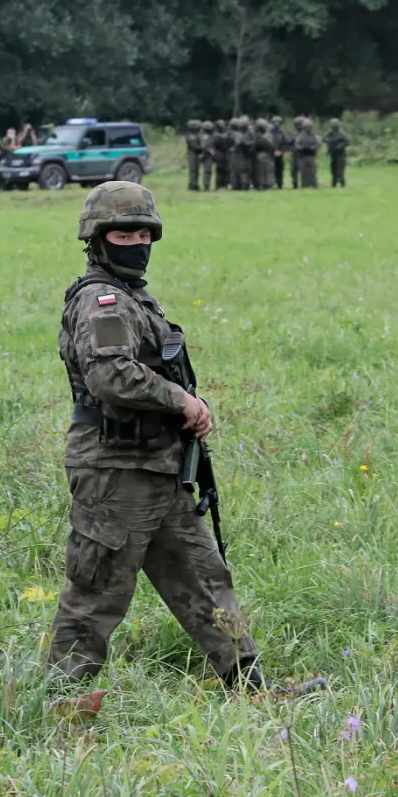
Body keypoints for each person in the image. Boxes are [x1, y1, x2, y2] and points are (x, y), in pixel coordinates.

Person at [46, 180, 322, 696]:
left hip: (160, 467)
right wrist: (183, 402)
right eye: (123, 232)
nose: (136, 242)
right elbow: (111, 377)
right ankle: (56, 706)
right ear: (97, 239)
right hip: (117, 471)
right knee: (96, 594)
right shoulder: (103, 301)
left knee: (205, 580)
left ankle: (252, 689)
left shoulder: (134, 299)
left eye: (144, 231)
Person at [293, 118, 319, 189]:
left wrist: (311, 148)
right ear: (303, 127)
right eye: (306, 127)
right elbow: (297, 145)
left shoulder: (313, 136)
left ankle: (314, 185)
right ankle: (304, 185)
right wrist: (303, 148)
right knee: (303, 172)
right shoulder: (300, 136)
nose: (308, 128)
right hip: (302, 156)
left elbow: (317, 144)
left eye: (309, 127)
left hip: (311, 156)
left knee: (313, 171)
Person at [233, 116, 256, 191]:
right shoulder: (237, 134)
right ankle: (244, 186)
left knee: (249, 170)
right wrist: (249, 143)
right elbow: (240, 143)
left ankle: (246, 185)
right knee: (243, 171)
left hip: (248, 155)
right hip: (241, 155)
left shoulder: (250, 133)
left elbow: (253, 142)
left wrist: (249, 144)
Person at [326, 118, 351, 188]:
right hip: (333, 155)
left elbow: (347, 141)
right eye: (333, 124)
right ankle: (333, 184)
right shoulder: (330, 133)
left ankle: (342, 184)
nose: (334, 125)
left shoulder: (341, 133)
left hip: (340, 155)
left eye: (335, 124)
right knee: (333, 170)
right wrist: (329, 144)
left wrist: (339, 146)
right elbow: (325, 139)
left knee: (340, 170)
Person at [253, 119, 276, 191]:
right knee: (262, 171)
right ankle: (262, 184)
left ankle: (266, 184)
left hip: (265, 155)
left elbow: (272, 146)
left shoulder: (267, 136)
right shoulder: (258, 136)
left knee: (266, 170)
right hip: (262, 155)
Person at [270, 116, 289, 189]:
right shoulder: (270, 132)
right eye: (275, 122)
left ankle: (280, 184)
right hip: (271, 154)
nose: (276, 124)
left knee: (280, 169)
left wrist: (281, 151)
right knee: (271, 169)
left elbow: (285, 143)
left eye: (278, 122)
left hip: (280, 154)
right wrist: (273, 151)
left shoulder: (282, 132)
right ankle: (271, 183)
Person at [211, 119, 231, 190]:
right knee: (219, 170)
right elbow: (211, 146)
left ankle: (225, 184)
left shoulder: (226, 135)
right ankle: (218, 185)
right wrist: (214, 154)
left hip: (225, 154)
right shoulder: (215, 135)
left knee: (226, 170)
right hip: (219, 154)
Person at [198, 121, 216, 191]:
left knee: (207, 171)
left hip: (207, 154)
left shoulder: (208, 136)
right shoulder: (202, 136)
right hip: (205, 154)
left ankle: (206, 186)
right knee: (207, 171)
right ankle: (205, 186)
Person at [184, 120, 202, 192]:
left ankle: (194, 184)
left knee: (195, 170)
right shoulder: (191, 136)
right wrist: (202, 149)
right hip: (192, 155)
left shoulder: (194, 135)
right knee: (193, 170)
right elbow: (195, 146)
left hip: (195, 154)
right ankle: (193, 185)